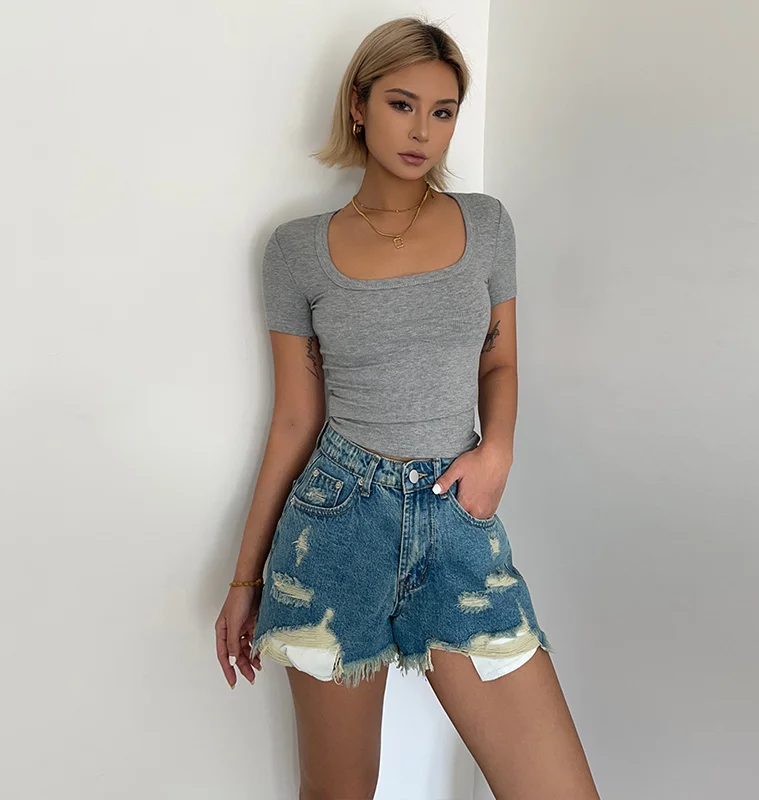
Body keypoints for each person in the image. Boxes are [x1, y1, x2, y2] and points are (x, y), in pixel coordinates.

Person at [215, 15, 601, 800]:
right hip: (334, 528)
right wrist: (246, 578)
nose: (423, 130)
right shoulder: (296, 249)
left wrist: (498, 452)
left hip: (455, 520)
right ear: (358, 106)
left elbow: (500, 359)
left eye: (443, 111)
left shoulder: (486, 225)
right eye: (402, 104)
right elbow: (294, 419)